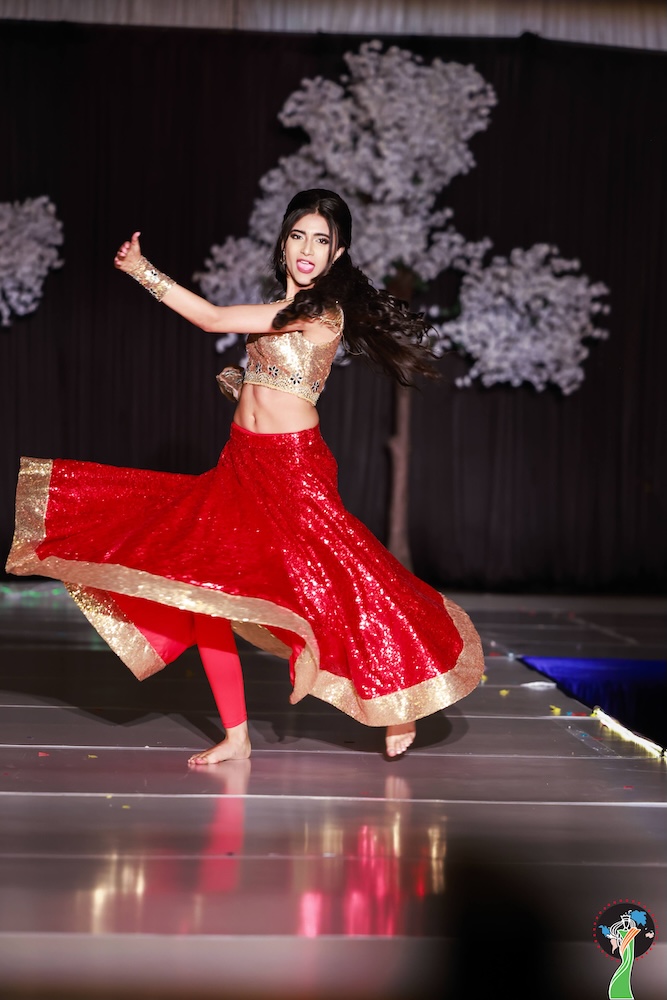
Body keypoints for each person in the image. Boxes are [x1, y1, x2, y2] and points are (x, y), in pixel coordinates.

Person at [5, 189, 484, 763]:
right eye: (299, 236)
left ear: (337, 255)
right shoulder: (281, 308)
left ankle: (398, 696)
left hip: (294, 467)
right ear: (283, 243)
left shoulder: (321, 311)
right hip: (241, 462)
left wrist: (141, 271)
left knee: (345, 579)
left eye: (322, 241)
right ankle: (236, 735)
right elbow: (276, 375)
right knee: (207, 594)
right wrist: (246, 387)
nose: (307, 249)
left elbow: (211, 319)